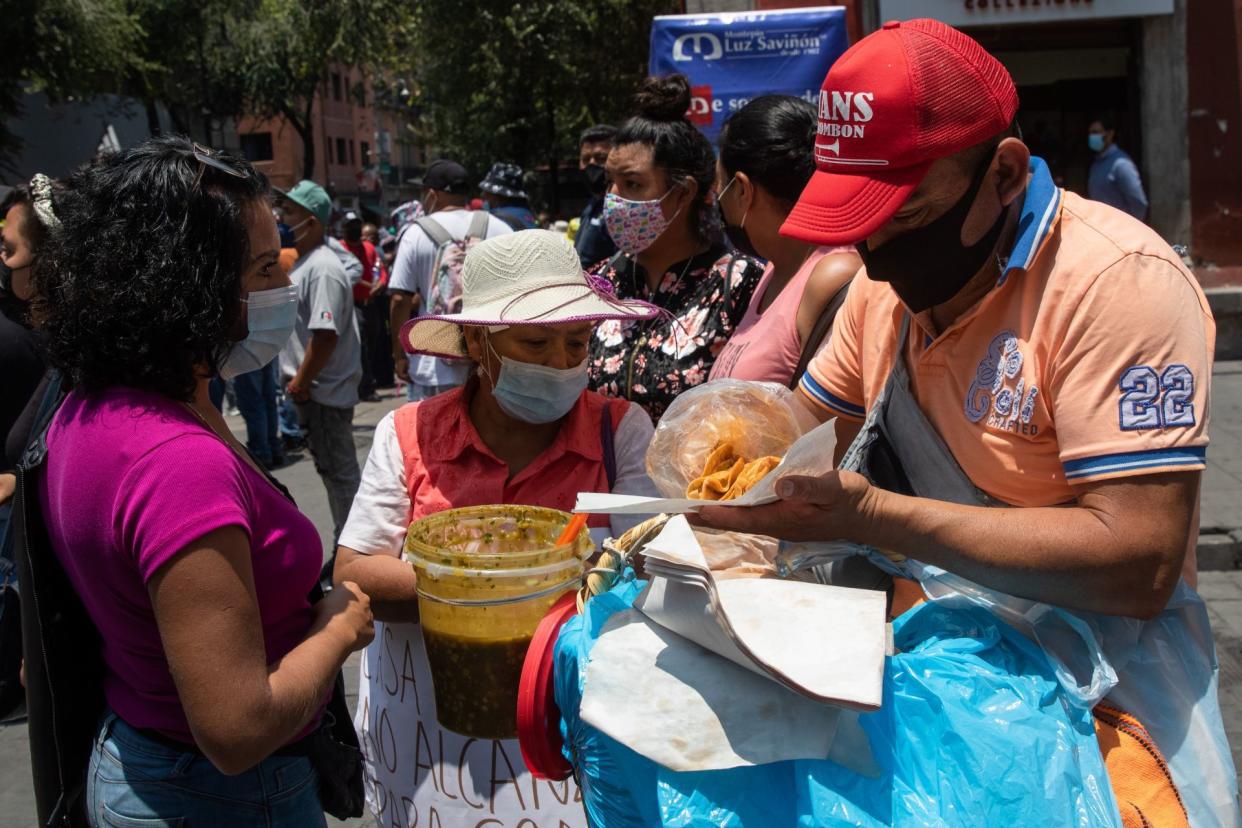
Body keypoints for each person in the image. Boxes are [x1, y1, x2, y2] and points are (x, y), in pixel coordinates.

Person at [699, 19, 1237, 824]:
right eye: (859, 221)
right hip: (946, 699)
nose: (877, 247)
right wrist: (713, 479)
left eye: (907, 218)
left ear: (1006, 175)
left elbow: (1139, 558)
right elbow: (791, 439)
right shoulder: (879, 296)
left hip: (1107, 710)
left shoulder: (1115, 284)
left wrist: (876, 514)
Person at [29, 136, 374, 824]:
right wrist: (339, 628)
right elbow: (238, 729)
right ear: (181, 286)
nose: (284, 285)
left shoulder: (94, 400)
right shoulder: (177, 462)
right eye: (259, 271)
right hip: (221, 799)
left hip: (143, 761)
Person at [333, 229, 660, 828]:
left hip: (573, 733)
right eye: (535, 342)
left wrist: (497, 588)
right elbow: (354, 572)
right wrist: (502, 587)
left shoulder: (622, 432)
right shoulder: (408, 434)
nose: (562, 364)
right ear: (480, 344)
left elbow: (647, 567)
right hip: (432, 743)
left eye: (576, 343)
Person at [587, 74, 764, 419]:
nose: (614, 198)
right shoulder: (600, 283)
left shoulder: (739, 285)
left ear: (683, 192)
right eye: (611, 181)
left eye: (633, 184)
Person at [707, 96, 862, 386]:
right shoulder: (774, 271)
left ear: (742, 189)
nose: (719, 200)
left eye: (721, 185)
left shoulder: (832, 275)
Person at [278, 180, 364, 545]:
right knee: (333, 473)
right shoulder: (311, 262)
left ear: (311, 221)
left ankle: (352, 555)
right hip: (316, 392)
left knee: (340, 477)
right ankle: (349, 548)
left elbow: (324, 335)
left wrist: (300, 382)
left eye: (290, 211)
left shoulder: (323, 268)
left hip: (322, 393)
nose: (282, 217)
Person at [388, 159, 512, 402]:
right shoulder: (500, 228)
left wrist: (399, 353)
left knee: (438, 436)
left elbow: (399, 298)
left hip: (434, 360)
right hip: (493, 359)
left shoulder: (415, 233)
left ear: (432, 194)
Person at [341, 211, 383, 402]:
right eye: (350, 227)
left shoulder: (368, 248)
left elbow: (380, 270)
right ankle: (365, 386)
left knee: (372, 342)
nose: (354, 230)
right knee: (362, 345)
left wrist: (381, 284)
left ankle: (367, 381)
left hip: (370, 303)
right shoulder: (340, 249)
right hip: (352, 305)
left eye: (356, 226)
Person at [1087, 115, 1148, 221]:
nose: (1092, 136)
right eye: (1090, 133)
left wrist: (1129, 228)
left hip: (1120, 231)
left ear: (1110, 134)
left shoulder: (1121, 164)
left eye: (1096, 132)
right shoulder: (1096, 165)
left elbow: (1139, 203)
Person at [575, 124, 619, 268]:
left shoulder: (621, 207)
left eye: (600, 158)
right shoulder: (591, 204)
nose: (592, 164)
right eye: (586, 159)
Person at [362, 222, 396, 389]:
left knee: (380, 340)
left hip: (378, 301)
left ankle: (382, 377)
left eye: (370, 237)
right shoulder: (367, 252)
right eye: (364, 236)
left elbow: (381, 276)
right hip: (372, 300)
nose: (366, 240)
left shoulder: (375, 253)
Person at [479, 162, 539, 230]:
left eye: (488, 193)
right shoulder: (529, 214)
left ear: (499, 196)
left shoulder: (495, 219)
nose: (483, 195)